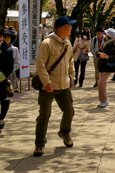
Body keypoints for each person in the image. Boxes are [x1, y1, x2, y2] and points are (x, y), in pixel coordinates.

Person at [33, 16, 76, 157]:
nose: (71, 28)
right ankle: (39, 143)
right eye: (69, 26)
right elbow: (40, 65)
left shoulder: (67, 43)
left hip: (64, 85)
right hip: (48, 87)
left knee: (69, 110)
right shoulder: (46, 43)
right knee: (44, 116)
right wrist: (47, 83)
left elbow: (70, 61)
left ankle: (64, 132)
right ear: (61, 28)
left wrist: (72, 76)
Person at [0, 29, 20, 132]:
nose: (6, 38)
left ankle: (1, 119)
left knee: (6, 100)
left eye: (8, 37)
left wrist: (8, 69)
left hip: (8, 77)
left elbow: (17, 63)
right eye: (5, 36)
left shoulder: (14, 49)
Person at [97, 28, 115, 108]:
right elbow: (98, 51)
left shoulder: (113, 45)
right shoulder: (105, 43)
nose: (105, 35)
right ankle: (103, 100)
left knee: (100, 83)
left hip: (108, 66)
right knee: (102, 83)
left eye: (106, 34)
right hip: (102, 65)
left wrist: (107, 57)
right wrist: (100, 54)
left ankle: (104, 100)